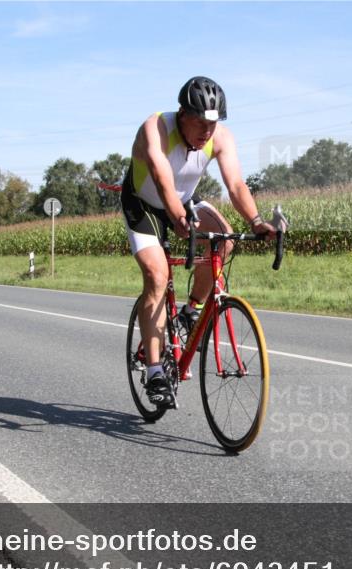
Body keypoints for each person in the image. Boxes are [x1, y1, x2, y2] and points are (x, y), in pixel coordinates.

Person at [120, 76, 277, 407]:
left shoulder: (220, 137)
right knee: (157, 277)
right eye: (200, 122)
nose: (207, 130)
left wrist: (258, 222)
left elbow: (235, 185)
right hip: (145, 204)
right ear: (182, 114)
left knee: (224, 242)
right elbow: (163, 180)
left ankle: (191, 312)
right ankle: (154, 372)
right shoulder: (156, 128)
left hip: (185, 200)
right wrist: (179, 220)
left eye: (213, 122)